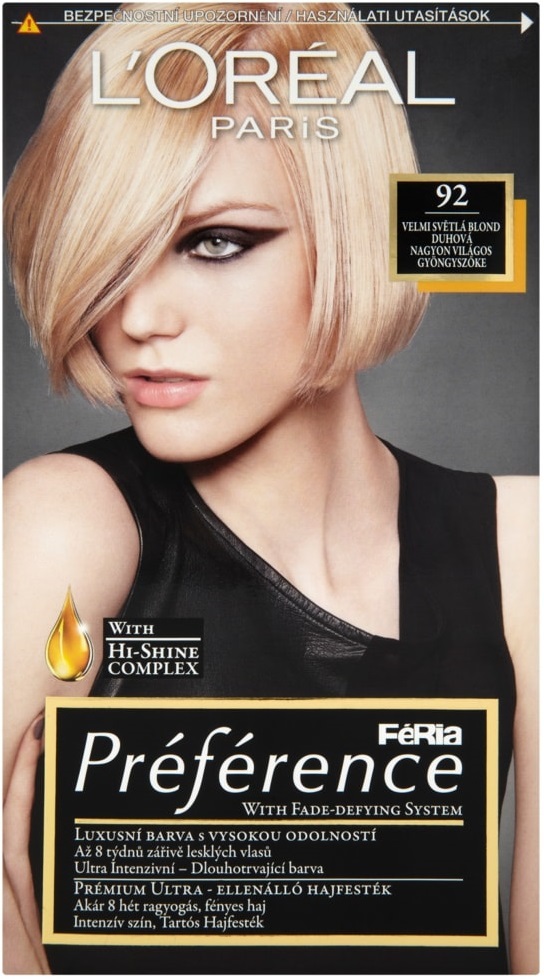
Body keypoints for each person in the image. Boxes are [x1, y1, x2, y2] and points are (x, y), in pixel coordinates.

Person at [3, 2, 537, 974]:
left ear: (353, 236)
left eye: (215, 241)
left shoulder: (522, 550)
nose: (136, 316)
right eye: (112, 250)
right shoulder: (65, 526)